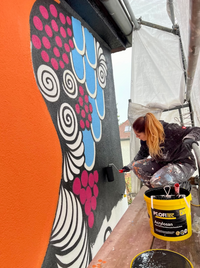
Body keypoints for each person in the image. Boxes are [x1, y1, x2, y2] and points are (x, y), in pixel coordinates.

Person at [121, 113, 200, 190]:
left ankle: (183, 186)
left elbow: (196, 130)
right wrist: (129, 166)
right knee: (136, 167)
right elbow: (142, 154)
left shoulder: (170, 130)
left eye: (138, 134)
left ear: (148, 131)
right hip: (164, 163)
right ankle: (160, 190)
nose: (137, 137)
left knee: (156, 181)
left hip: (183, 163)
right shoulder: (146, 140)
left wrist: (190, 138)